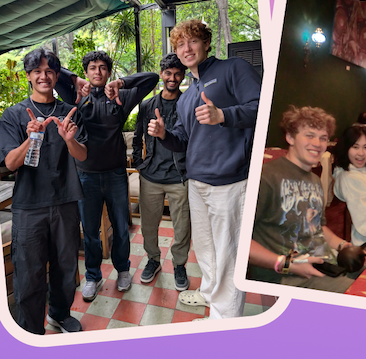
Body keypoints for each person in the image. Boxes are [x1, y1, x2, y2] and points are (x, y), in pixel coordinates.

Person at [147, 19, 260, 318]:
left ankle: (225, 319)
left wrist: (223, 115)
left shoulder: (233, 68)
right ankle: (210, 293)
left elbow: (262, 106)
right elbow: (183, 139)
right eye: (180, 44)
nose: (186, 48)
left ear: (206, 43)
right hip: (197, 182)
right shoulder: (187, 96)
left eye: (193, 41)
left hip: (230, 181)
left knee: (228, 254)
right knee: (206, 249)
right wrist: (164, 135)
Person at [55, 50, 159, 301]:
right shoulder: (76, 95)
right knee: (90, 231)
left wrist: (121, 83)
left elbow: (152, 78)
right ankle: (93, 276)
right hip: (85, 176)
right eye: (92, 68)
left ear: (109, 72)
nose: (98, 72)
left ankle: (123, 270)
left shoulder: (120, 96)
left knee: (121, 228)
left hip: (115, 175)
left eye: (103, 67)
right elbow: (54, 72)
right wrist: (75, 79)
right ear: (87, 72)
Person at [0, 48, 87, 334]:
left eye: (49, 71)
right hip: (29, 206)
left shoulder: (69, 112)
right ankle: (30, 330)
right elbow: (11, 163)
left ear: (57, 75)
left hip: (65, 201)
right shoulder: (13, 115)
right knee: (29, 273)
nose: (43, 76)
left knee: (65, 267)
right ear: (28, 76)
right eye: (37, 71)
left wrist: (69, 139)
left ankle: (60, 314)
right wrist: (32, 138)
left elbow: (83, 155)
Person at [250, 106, 362, 291]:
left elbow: (318, 226)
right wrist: (286, 264)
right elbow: (239, 240)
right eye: (309, 135)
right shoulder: (266, 176)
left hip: (323, 263)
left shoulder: (315, 180)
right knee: (363, 294)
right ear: (290, 137)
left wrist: (342, 245)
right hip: (286, 277)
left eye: (323, 138)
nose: (317, 143)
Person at [132, 53, 191, 291]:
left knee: (182, 226)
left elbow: (190, 139)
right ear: (161, 74)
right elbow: (137, 136)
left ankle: (179, 264)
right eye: (168, 73)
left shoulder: (187, 104)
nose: (172, 78)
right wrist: (139, 163)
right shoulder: (147, 106)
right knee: (148, 225)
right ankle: (153, 260)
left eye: (177, 74)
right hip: (151, 176)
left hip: (179, 176)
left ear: (183, 75)